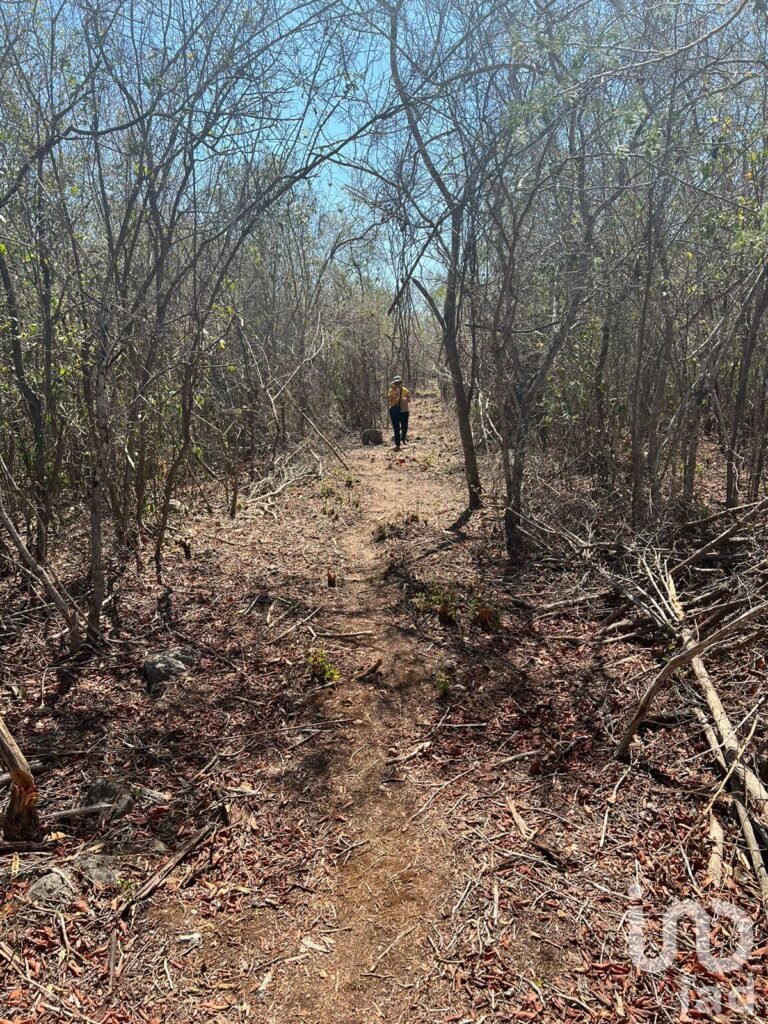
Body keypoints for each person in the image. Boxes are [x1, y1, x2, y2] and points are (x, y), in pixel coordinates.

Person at [388, 376, 410, 450]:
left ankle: (403, 438)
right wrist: (395, 395)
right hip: (395, 411)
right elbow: (390, 400)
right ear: (394, 383)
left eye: (399, 383)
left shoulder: (405, 390)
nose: (397, 384)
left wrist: (405, 399)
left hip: (404, 410)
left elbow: (409, 399)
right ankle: (397, 444)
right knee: (396, 428)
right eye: (396, 383)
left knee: (404, 426)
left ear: (401, 383)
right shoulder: (391, 390)